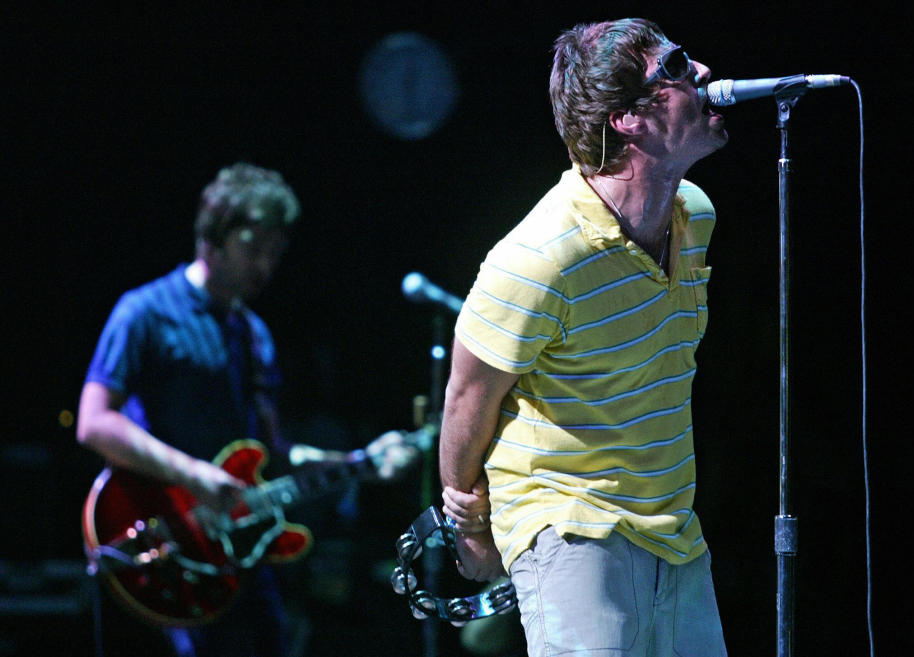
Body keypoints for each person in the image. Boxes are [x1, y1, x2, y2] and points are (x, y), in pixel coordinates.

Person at [439, 18, 729, 657]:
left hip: (671, 525)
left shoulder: (694, 216)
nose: (703, 72)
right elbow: (466, 399)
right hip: (567, 520)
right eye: (677, 66)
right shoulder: (541, 257)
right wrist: (475, 530)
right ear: (627, 118)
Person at [76, 162, 416, 657]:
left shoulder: (254, 335)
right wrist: (194, 475)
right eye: (252, 249)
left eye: (274, 254)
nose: (264, 267)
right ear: (213, 237)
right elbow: (94, 422)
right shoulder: (143, 312)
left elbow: (272, 453)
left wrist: (359, 463)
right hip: (161, 540)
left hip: (234, 557)